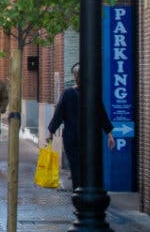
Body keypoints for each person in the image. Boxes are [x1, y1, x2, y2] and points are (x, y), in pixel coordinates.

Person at [46, 63, 116, 191]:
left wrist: (50, 131)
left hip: (71, 137)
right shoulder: (92, 94)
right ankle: (87, 189)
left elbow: (59, 115)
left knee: (75, 166)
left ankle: (77, 192)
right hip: (90, 138)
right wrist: (110, 134)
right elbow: (102, 115)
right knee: (88, 166)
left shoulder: (68, 93)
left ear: (75, 77)